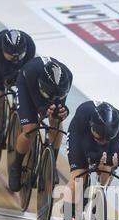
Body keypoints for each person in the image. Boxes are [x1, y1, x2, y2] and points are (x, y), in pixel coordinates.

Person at [60, 100, 119, 220]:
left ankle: (98, 199)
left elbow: (114, 153)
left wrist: (112, 160)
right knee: (78, 177)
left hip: (103, 136)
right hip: (80, 136)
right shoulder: (84, 116)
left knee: (106, 167)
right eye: (98, 138)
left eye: (105, 139)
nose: (101, 141)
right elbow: (88, 152)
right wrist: (96, 158)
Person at [8, 56, 73, 192]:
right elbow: (39, 106)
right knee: (30, 129)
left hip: (51, 90)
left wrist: (62, 111)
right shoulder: (32, 72)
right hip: (26, 86)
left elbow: (60, 105)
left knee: (56, 121)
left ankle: (51, 164)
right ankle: (16, 166)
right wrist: (43, 109)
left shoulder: (67, 78)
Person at [0, 29, 36, 153]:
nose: (15, 59)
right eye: (11, 56)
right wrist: (10, 78)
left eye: (18, 56)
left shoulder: (30, 46)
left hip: (20, 66)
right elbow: (6, 75)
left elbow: (27, 71)